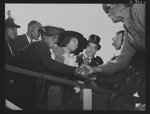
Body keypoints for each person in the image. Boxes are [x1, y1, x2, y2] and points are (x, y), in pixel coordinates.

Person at [9, 26, 90, 110]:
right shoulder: (40, 45)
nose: (55, 41)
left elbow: (49, 72)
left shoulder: (43, 47)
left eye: (57, 39)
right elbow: (51, 65)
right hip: (22, 88)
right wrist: (75, 70)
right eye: (53, 38)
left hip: (31, 89)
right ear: (44, 37)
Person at [83, 4, 145, 110]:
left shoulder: (138, 9)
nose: (108, 14)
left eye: (108, 9)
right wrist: (93, 69)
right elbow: (121, 61)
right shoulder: (128, 35)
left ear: (118, 5)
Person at [47, 30, 88, 110]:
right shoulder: (55, 51)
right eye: (74, 41)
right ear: (66, 40)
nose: (76, 44)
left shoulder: (74, 58)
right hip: (56, 88)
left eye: (77, 43)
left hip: (69, 92)